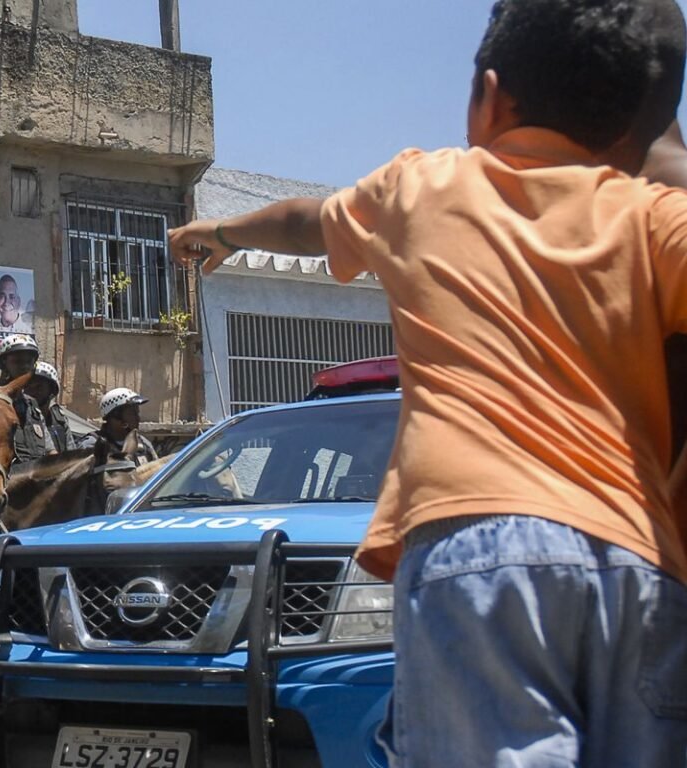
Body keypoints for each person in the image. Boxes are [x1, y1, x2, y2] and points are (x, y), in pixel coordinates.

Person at [166, 1, 687, 763]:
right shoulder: (653, 219)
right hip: (641, 564)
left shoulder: (424, 188)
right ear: (636, 131)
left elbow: (308, 224)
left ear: (488, 96)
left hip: (478, 550)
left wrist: (220, 231)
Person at [0, 334, 54, 464]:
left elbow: (50, 451)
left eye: (29, 362)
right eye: (18, 361)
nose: (25, 367)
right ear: (4, 363)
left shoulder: (31, 405)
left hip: (34, 477)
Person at [76, 387, 158, 464]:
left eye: (137, 413)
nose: (137, 418)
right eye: (132, 414)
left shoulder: (142, 443)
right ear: (115, 416)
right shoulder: (91, 445)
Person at [25, 361, 74, 454]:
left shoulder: (59, 419)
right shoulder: (21, 419)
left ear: (52, 391)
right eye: (28, 387)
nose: (32, 392)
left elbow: (72, 453)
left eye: (39, 387)